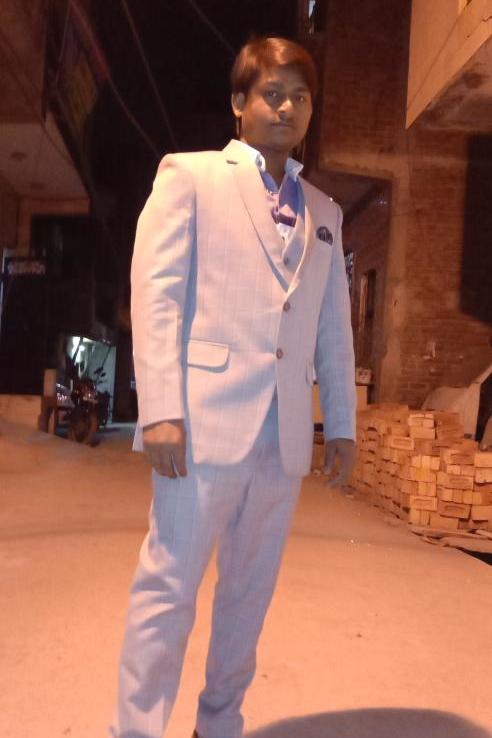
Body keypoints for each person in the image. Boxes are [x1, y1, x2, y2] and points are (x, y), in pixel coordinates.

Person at [109, 35, 356, 738]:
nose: (287, 108)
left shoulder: (325, 214)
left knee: (248, 597)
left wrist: (340, 423)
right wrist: (160, 409)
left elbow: (332, 328)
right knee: (168, 588)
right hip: (200, 428)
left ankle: (218, 724)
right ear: (239, 104)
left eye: (300, 97)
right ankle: (136, 729)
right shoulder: (189, 177)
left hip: (281, 440)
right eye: (272, 94)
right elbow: (156, 294)